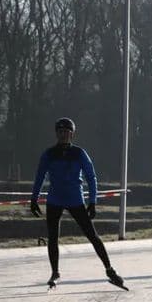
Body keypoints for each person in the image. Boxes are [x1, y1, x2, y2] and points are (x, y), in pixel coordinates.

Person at [31, 117, 126, 290]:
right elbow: (39, 177)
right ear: (56, 134)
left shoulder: (80, 153)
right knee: (53, 238)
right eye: (60, 132)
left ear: (72, 134)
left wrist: (92, 201)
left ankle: (110, 270)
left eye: (67, 132)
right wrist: (34, 199)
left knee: (93, 236)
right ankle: (55, 272)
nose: (63, 135)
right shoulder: (49, 154)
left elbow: (91, 177)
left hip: (75, 199)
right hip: (55, 199)